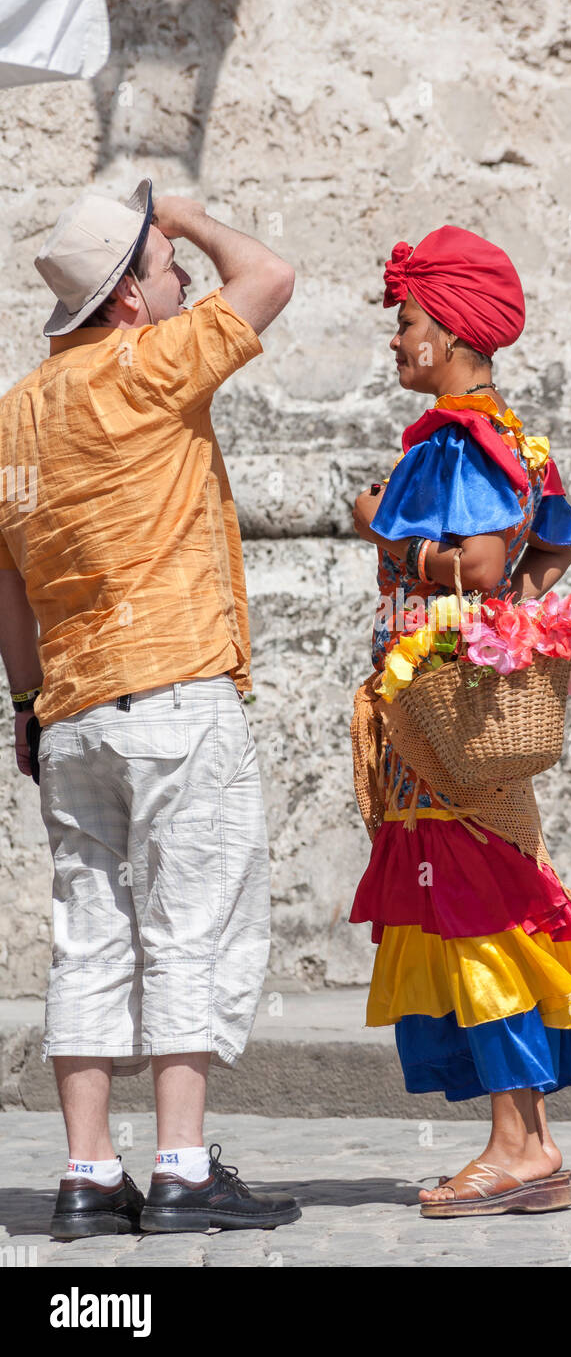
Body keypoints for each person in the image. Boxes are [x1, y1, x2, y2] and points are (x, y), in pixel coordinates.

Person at [0, 179, 301, 1238]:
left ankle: (87, 1173)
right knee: (191, 922)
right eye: (163, 268)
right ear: (129, 296)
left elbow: (7, 591)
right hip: (175, 688)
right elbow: (268, 276)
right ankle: (181, 1166)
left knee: (88, 933)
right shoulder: (151, 365)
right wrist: (182, 212)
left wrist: (30, 704)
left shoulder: (14, 416)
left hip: (72, 709)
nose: (180, 277)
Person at [350, 225, 571, 1219]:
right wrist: (513, 622)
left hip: (449, 732)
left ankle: (519, 1144)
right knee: (476, 917)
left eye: (405, 325)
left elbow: (480, 565)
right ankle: (521, 1145)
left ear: (445, 333)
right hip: (467, 717)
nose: (396, 343)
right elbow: (553, 545)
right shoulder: (512, 436)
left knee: (476, 921)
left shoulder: (451, 441)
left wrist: (394, 545)